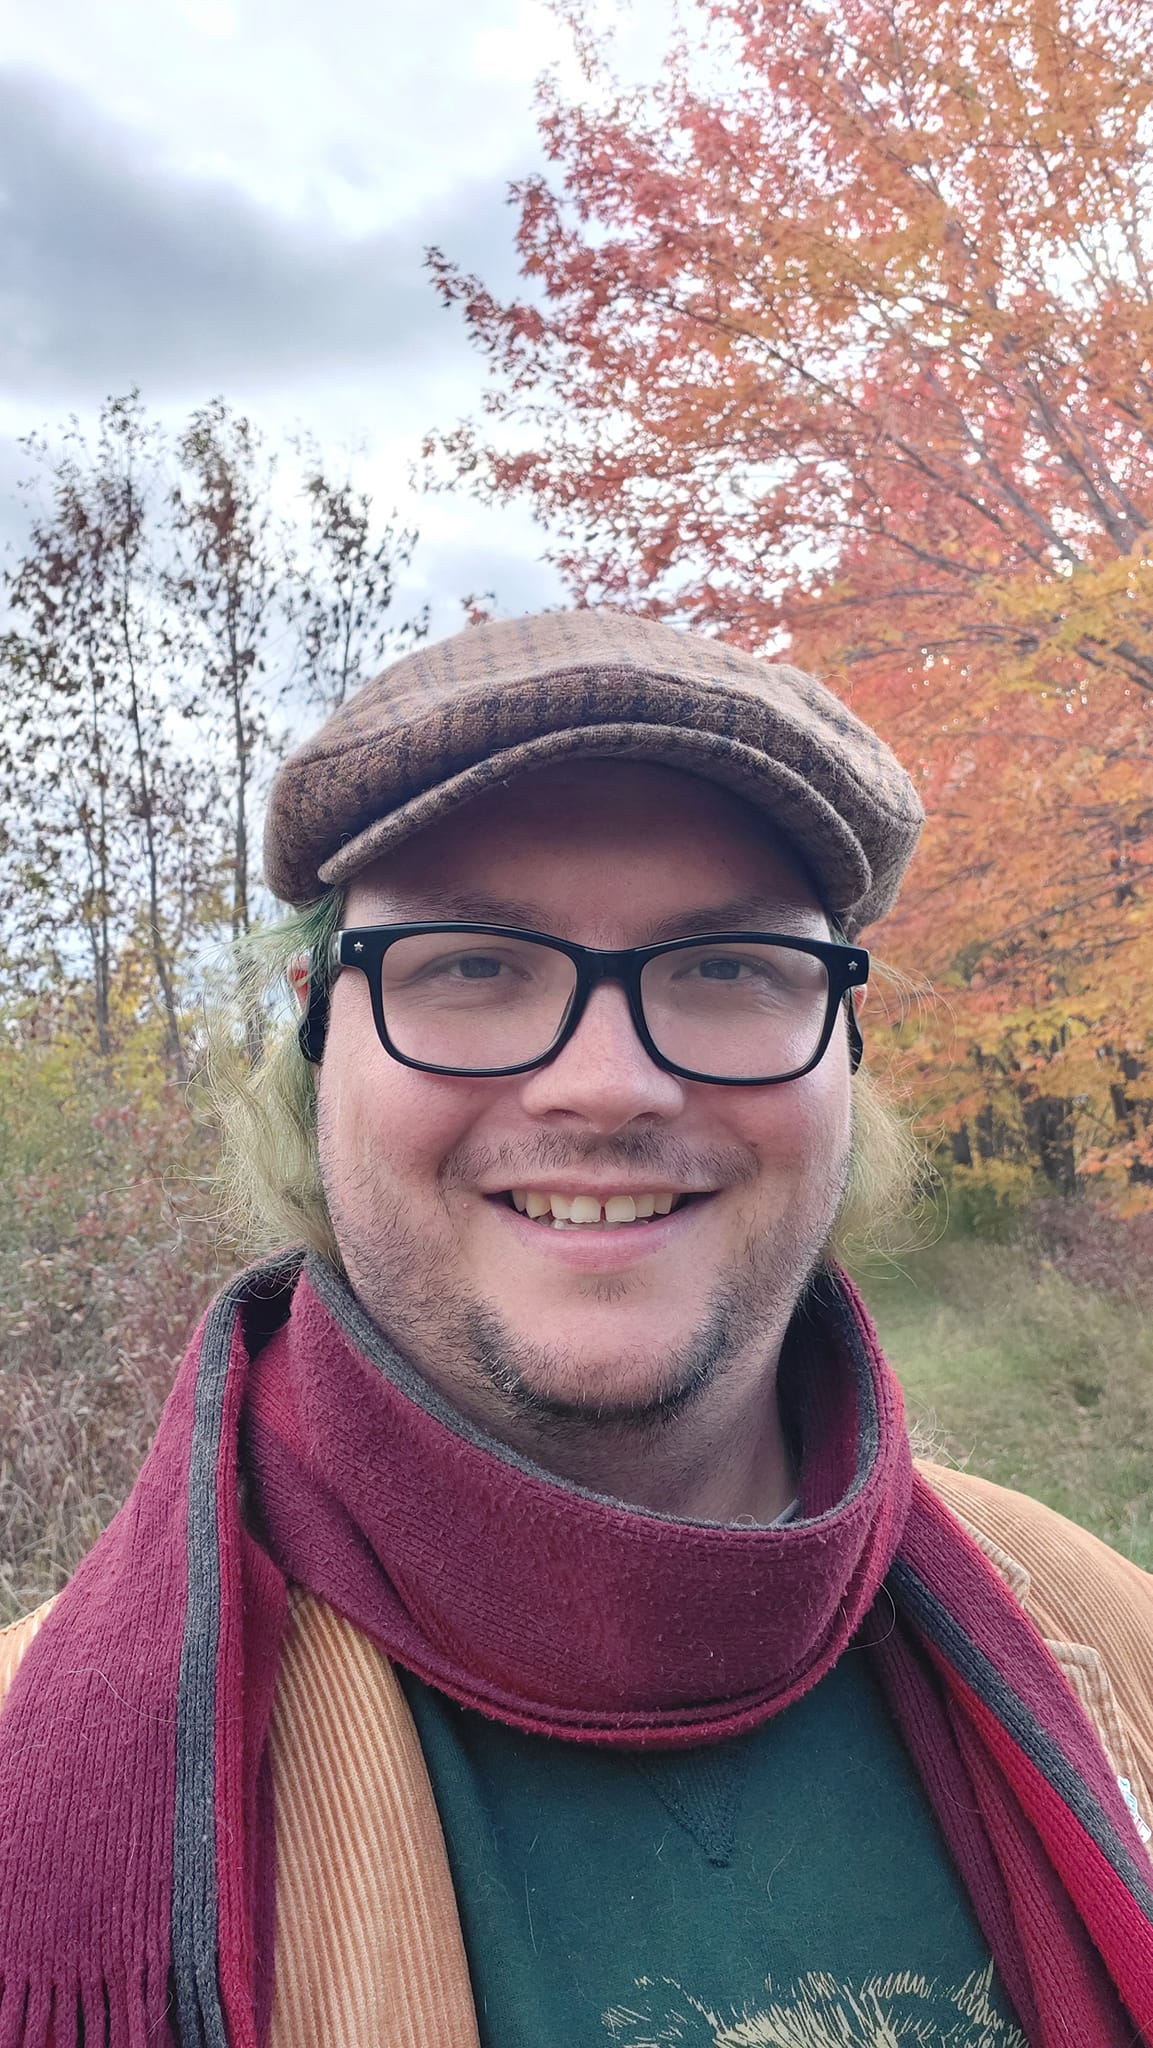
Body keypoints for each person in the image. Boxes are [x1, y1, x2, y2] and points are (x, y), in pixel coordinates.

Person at [1, 610, 1152, 2048]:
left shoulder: (1107, 1643)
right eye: (471, 965)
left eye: (728, 964)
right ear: (315, 1038)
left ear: (841, 1052)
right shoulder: (27, 1773)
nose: (605, 1089)